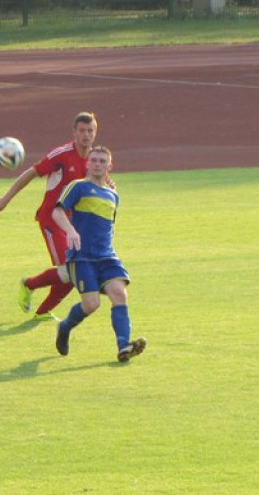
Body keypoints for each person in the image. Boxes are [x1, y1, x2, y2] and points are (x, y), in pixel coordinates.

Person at [0, 111, 101, 321]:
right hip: (51, 219)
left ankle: (42, 312)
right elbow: (30, 173)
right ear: (74, 133)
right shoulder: (61, 154)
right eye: (82, 130)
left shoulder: (96, 160)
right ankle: (28, 285)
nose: (86, 134)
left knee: (71, 275)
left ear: (95, 133)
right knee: (69, 271)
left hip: (73, 225)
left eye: (90, 130)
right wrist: (5, 200)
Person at [51, 146, 146, 363]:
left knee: (119, 294)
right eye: (94, 160)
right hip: (81, 256)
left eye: (102, 161)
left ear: (109, 166)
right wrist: (71, 231)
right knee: (92, 304)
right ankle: (64, 327)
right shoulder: (78, 187)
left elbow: (108, 227)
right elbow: (57, 212)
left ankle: (124, 346)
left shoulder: (113, 195)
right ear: (88, 163)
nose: (97, 164)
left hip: (106, 256)